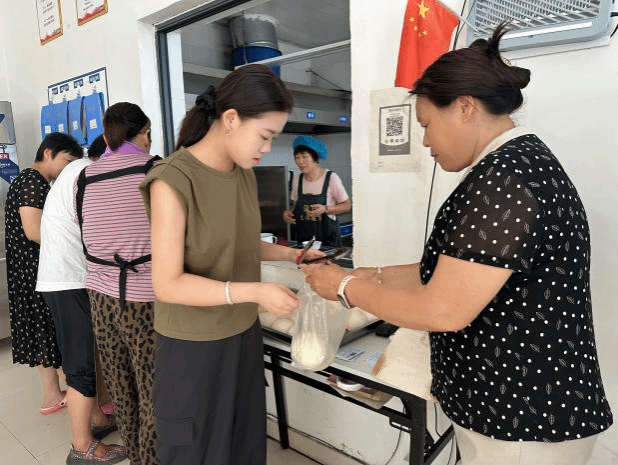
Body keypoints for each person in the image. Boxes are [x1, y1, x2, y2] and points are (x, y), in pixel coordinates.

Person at [302, 23, 612, 465]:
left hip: (523, 420)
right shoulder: (516, 166)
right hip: (520, 407)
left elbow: (443, 310)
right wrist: (372, 275)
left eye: (427, 124)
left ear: (465, 107)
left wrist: (345, 287)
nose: (426, 140)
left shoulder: (505, 180)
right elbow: (457, 269)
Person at [139, 64, 323, 465]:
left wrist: (294, 255)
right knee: (195, 451)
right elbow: (167, 284)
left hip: (242, 333)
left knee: (244, 444)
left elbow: (239, 243)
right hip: (193, 345)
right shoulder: (172, 179)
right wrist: (255, 291)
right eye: (265, 135)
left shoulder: (243, 174)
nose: (267, 148)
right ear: (231, 119)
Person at [76, 103, 158, 465]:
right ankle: (154, 459)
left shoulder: (86, 176)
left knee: (120, 384)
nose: (149, 140)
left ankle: (137, 458)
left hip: (99, 296)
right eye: (147, 133)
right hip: (145, 296)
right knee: (153, 387)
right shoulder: (153, 168)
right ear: (138, 133)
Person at [37, 133, 126, 464]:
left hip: (61, 279)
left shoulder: (75, 173)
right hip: (69, 280)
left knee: (84, 358)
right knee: (81, 365)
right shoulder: (87, 172)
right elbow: (101, 231)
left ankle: (97, 420)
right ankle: (82, 447)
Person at [4, 132, 81, 415]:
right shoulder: (32, 181)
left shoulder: (28, 179)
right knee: (48, 329)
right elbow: (34, 231)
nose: (68, 169)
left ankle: (51, 395)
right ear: (48, 152)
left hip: (25, 270)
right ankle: (67, 393)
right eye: (67, 161)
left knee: (41, 331)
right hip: (35, 270)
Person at [283, 135, 351, 247]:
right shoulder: (297, 180)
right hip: (304, 241)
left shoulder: (331, 178)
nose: (300, 162)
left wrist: (325, 209)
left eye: (304, 157)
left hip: (328, 241)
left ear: (316, 158)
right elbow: (295, 206)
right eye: (297, 158)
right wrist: (289, 213)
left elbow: (347, 206)